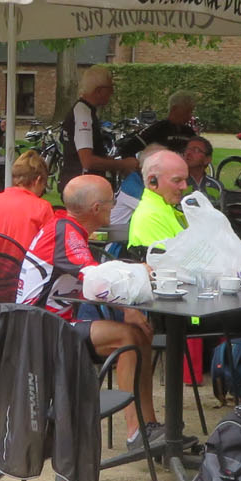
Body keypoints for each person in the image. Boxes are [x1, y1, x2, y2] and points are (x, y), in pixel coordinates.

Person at [23, 175, 155, 437]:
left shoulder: (65, 226)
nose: (114, 206)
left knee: (139, 334)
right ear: (96, 208)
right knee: (127, 337)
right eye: (111, 201)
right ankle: (137, 432)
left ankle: (149, 425)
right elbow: (98, 282)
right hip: (38, 329)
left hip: (47, 323)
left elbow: (95, 281)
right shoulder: (66, 233)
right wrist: (129, 308)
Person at [60, 67, 131, 187]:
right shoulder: (83, 114)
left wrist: (110, 161)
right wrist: (123, 165)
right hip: (82, 186)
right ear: (99, 90)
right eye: (110, 88)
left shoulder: (84, 110)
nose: (112, 92)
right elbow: (87, 161)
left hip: (77, 183)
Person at [0, 149, 55, 252]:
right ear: (38, 180)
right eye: (44, 184)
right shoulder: (42, 207)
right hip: (24, 262)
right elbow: (48, 249)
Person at [123, 145, 193, 254]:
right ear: (152, 182)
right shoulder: (150, 217)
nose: (184, 186)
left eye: (185, 180)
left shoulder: (165, 208)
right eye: (177, 180)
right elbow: (172, 262)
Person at [181, 136, 224, 210]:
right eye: (187, 149)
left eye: (196, 150)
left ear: (207, 159)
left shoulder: (216, 186)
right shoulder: (177, 183)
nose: (188, 153)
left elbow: (222, 212)